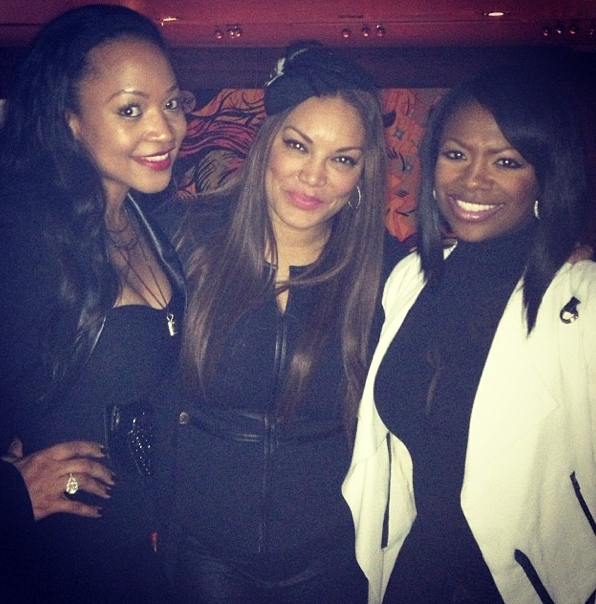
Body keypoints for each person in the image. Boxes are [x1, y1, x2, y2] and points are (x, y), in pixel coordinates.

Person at [153, 42, 407, 604]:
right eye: (298, 145)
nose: (313, 176)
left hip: (336, 554)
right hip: (204, 554)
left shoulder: (390, 273)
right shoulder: (183, 239)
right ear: (267, 142)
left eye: (342, 159)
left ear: (362, 173)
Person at [342, 62, 596, 604]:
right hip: (413, 573)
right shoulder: (410, 279)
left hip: (529, 585)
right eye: (456, 154)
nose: (474, 180)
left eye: (507, 161)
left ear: (546, 174)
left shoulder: (580, 300)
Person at [0, 4, 187, 603]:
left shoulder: (142, 217)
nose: (164, 130)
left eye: (172, 103)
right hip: (59, 567)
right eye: (131, 109)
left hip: (146, 554)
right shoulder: (22, 232)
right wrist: (11, 493)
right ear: (71, 121)